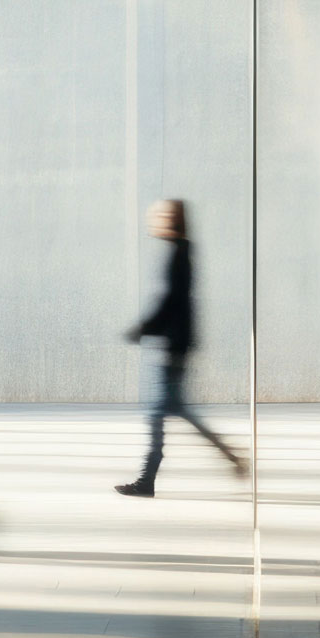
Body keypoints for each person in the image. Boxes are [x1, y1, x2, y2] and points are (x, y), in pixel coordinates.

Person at [116, 199, 243, 497]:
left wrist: (143, 329)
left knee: (159, 414)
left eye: (158, 215)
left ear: (171, 220)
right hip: (175, 344)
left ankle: (147, 480)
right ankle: (229, 457)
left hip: (172, 346)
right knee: (175, 411)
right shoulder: (181, 251)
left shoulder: (178, 253)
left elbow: (170, 302)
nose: (153, 219)